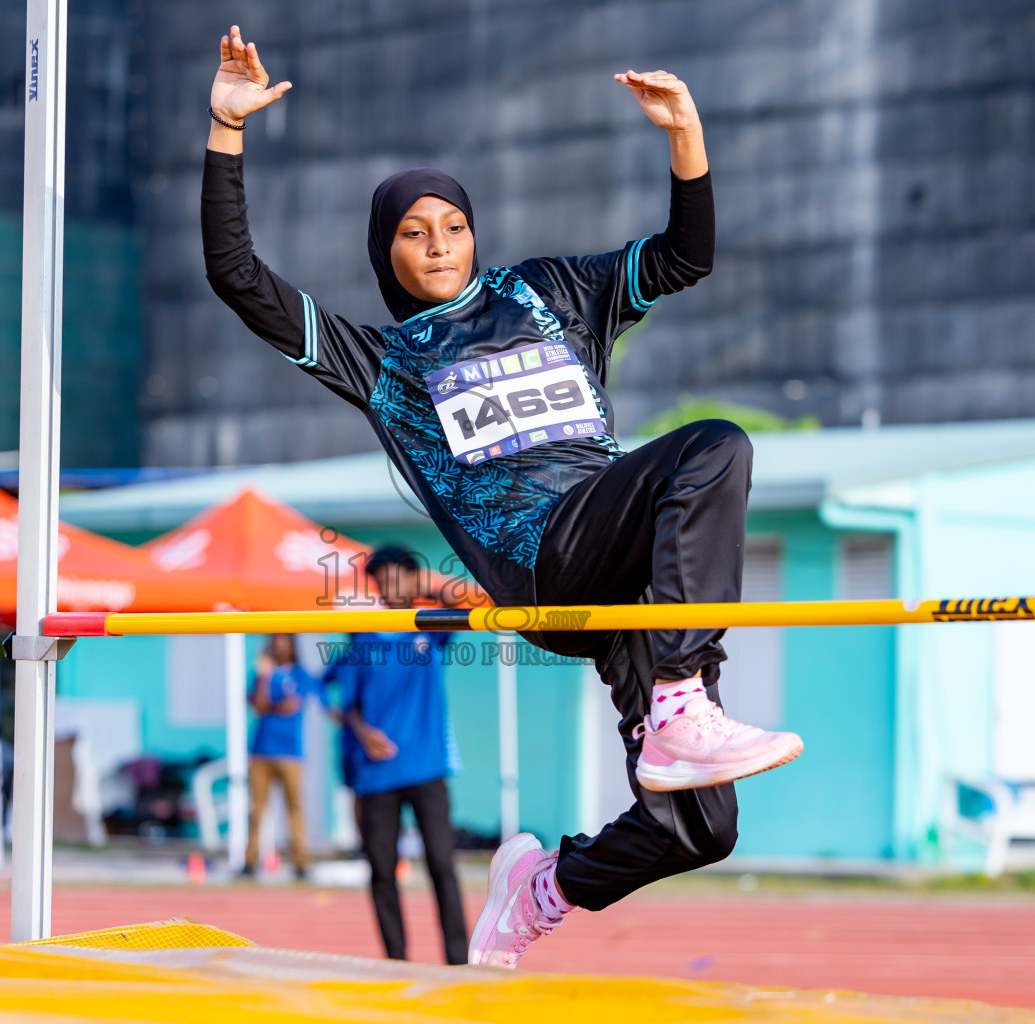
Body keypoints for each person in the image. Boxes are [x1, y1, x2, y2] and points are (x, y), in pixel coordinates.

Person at [201, 26, 804, 967]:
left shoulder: (553, 293)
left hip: (635, 586)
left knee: (701, 832)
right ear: (384, 251)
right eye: (413, 232)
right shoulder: (383, 362)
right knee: (715, 448)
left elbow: (687, 256)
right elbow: (238, 278)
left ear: (475, 233)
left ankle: (540, 889)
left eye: (452, 226)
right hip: (545, 560)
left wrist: (685, 133)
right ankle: (684, 700)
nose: (437, 245)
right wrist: (225, 133)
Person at [327, 546, 466, 965]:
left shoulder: (429, 627)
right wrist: (363, 733)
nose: (389, 587)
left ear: (413, 580)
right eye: (381, 580)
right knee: (382, 870)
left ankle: (459, 961)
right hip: (376, 774)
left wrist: (425, 583)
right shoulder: (362, 636)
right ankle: (395, 959)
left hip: (427, 767)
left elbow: (466, 600)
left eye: (396, 577)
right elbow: (345, 702)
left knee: (442, 864)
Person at [245, 633, 317, 879]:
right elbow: (260, 706)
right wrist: (264, 677)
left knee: (295, 808)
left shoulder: (300, 674)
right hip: (260, 751)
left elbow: (290, 707)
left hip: (290, 753)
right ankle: (250, 860)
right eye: (275, 640)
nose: (279, 644)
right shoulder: (262, 674)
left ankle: (300, 862)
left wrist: (271, 708)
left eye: (284, 640)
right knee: (256, 810)